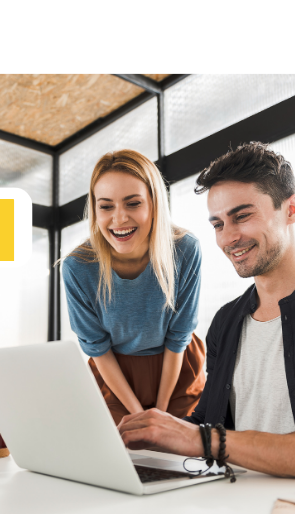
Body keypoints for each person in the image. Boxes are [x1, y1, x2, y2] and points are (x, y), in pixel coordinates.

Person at [117, 142, 295, 485]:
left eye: (242, 216)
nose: (229, 237)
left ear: (291, 209)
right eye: (217, 224)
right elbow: (208, 424)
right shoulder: (227, 321)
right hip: (236, 508)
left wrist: (203, 439)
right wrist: (149, 436)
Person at [61, 150, 205, 425]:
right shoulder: (77, 267)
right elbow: (97, 347)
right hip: (115, 376)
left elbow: (179, 336)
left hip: (176, 368)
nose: (119, 219)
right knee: (123, 455)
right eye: (106, 206)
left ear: (154, 204)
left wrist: (160, 414)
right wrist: (140, 414)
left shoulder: (186, 250)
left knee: (181, 452)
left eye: (133, 203)